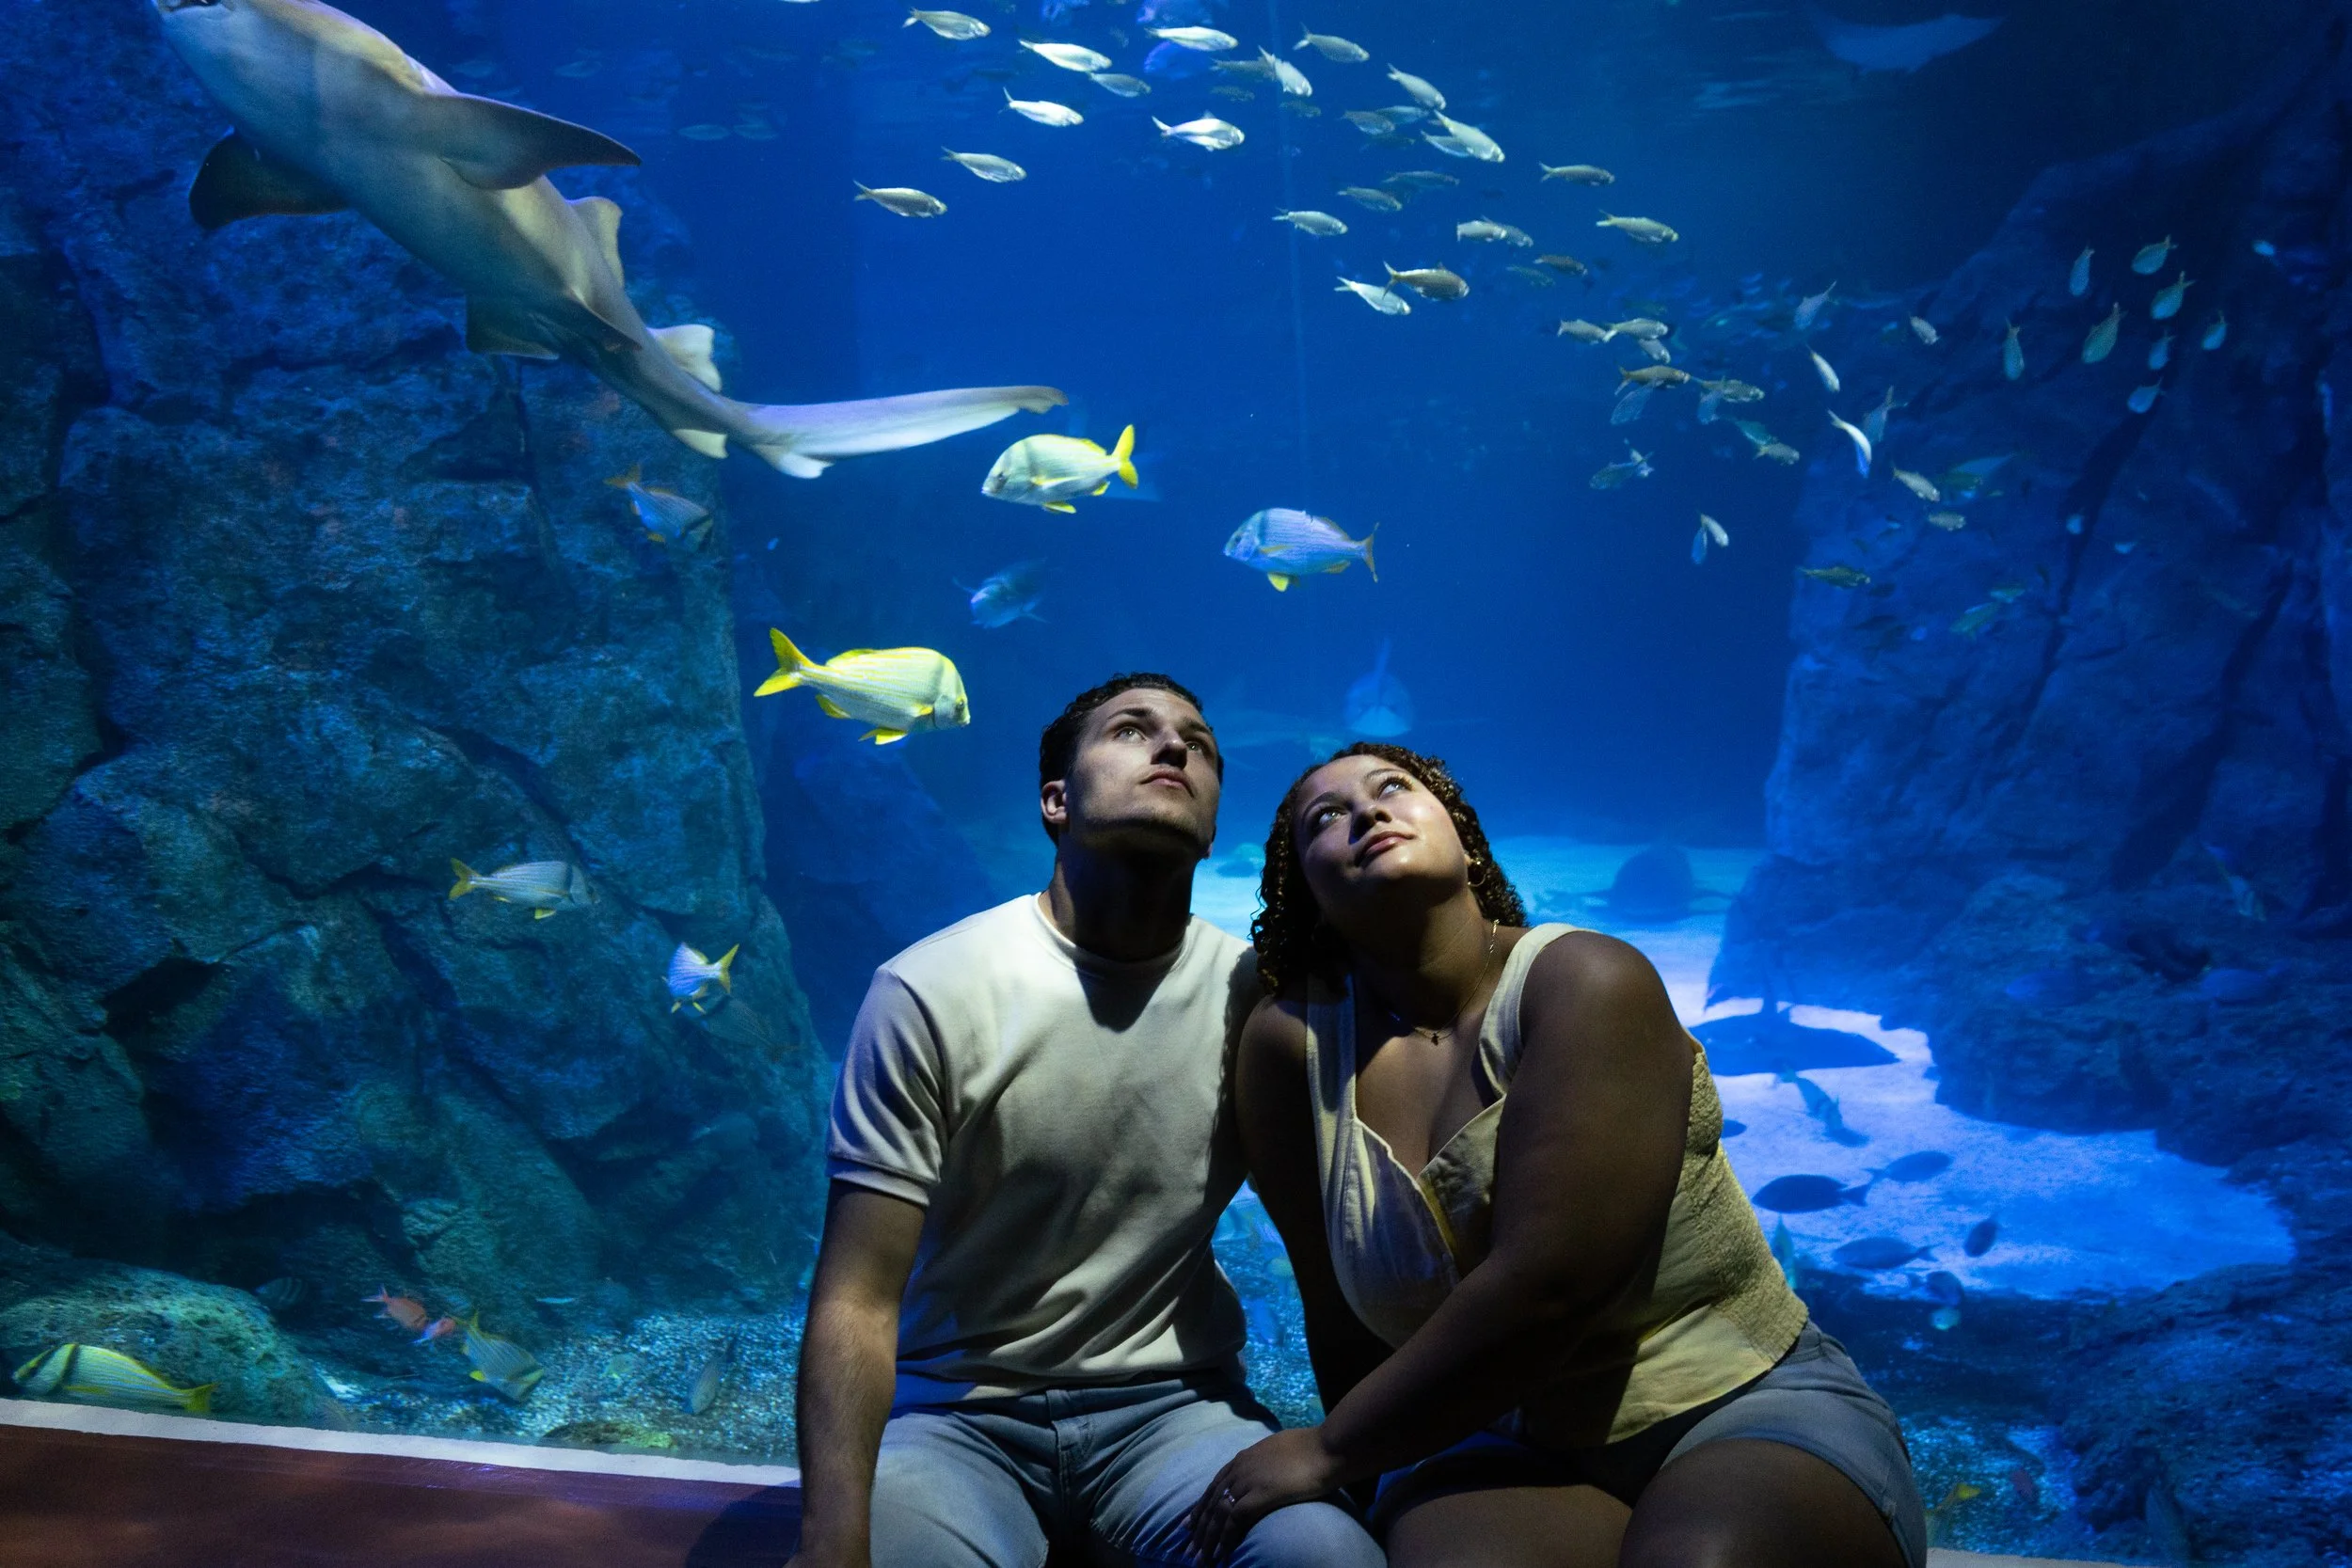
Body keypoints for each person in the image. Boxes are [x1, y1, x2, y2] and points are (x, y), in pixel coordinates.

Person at [1186, 742, 1927, 1568]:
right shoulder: (1291, 1049)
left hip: (1737, 1400)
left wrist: (1326, 1450)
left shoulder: (1586, 979)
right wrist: (1360, 1486)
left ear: (1465, 841)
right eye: (1326, 817)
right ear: (1306, 892)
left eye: (1393, 787)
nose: (1366, 811)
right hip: (1488, 1439)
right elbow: (1335, 1309)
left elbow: (1550, 1286)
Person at [787, 675, 1384, 1568]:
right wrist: (830, 1540)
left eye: (1200, 742)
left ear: (1216, 820)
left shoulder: (1257, 1000)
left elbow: (1326, 1262)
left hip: (1175, 1412)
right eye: (1132, 730)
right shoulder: (929, 991)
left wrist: (1362, 1466)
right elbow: (855, 1298)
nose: (1174, 748)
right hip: (955, 1415)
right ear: (1055, 800)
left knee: (1327, 1559)